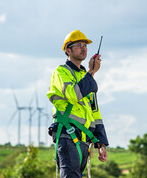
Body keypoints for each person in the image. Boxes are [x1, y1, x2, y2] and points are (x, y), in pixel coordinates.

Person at [47, 30, 109, 178]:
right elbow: (74, 95)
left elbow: (95, 112)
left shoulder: (86, 77)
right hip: (68, 136)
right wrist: (91, 72)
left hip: (84, 140)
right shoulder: (61, 72)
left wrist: (101, 143)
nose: (84, 48)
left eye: (85, 45)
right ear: (68, 50)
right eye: (79, 45)